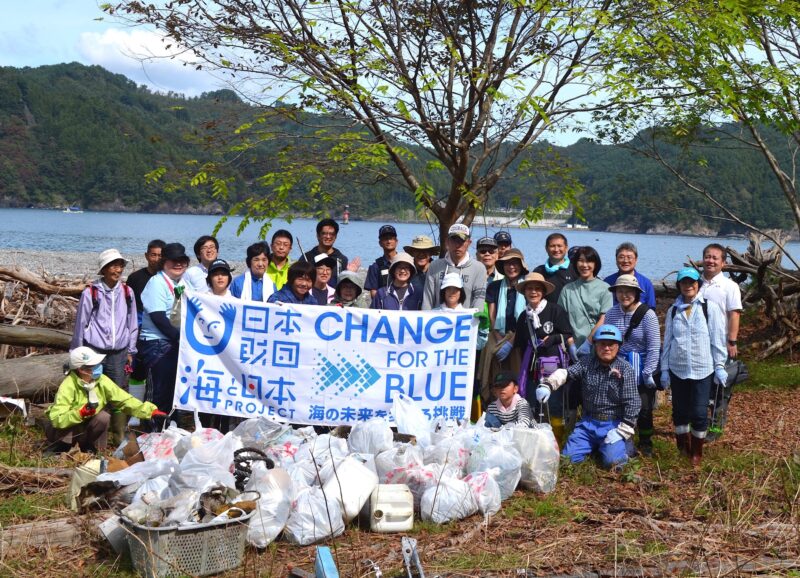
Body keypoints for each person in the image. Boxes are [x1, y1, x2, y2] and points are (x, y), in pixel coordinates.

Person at [542, 325, 641, 470]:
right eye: (602, 344)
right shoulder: (586, 363)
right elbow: (567, 373)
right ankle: (596, 446)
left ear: (618, 346)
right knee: (567, 460)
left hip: (613, 424)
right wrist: (548, 385)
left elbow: (633, 402)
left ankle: (624, 445)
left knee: (613, 464)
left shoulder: (625, 368)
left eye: (611, 344)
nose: (606, 348)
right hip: (588, 424)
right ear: (595, 345)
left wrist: (623, 430)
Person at [661, 267, 727, 466]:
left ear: (698, 284)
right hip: (678, 369)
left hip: (702, 369)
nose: (688, 286)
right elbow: (667, 341)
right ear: (679, 286)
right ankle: (682, 447)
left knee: (699, 413)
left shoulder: (709, 308)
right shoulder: (673, 311)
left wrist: (720, 365)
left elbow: (717, 339)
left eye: (692, 282)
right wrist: (664, 370)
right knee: (679, 412)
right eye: (684, 283)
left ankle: (697, 452)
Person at [71, 248, 139, 443]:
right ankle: (91, 438)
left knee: (117, 392)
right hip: (95, 351)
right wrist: (77, 353)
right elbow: (81, 324)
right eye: (112, 265)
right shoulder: (91, 292)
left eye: (120, 265)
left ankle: (118, 437)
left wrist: (131, 350)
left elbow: (132, 323)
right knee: (91, 391)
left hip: (119, 352)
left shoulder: (127, 292)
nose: (117, 270)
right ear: (104, 269)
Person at [45, 347, 165, 453]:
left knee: (103, 417)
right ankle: (60, 447)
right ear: (82, 370)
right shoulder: (68, 385)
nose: (99, 367)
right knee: (67, 426)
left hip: (86, 425)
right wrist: (80, 413)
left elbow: (124, 400)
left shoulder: (101, 380)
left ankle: (89, 446)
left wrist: (150, 411)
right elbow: (57, 419)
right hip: (67, 429)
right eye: (94, 365)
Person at [604, 274, 661, 457]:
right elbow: (608, 340)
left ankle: (645, 441)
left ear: (636, 293)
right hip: (619, 363)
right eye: (620, 291)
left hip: (642, 364)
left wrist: (648, 372)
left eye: (629, 291)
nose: (624, 295)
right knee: (618, 404)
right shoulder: (612, 313)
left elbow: (653, 346)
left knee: (643, 407)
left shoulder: (647, 314)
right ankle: (622, 439)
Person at [513, 272, 572, 442]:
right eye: (529, 288)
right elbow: (520, 345)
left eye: (537, 289)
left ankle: (557, 442)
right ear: (524, 292)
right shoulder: (524, 316)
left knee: (554, 404)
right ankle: (534, 440)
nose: (533, 292)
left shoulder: (555, 310)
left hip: (552, 365)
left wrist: (553, 338)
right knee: (532, 403)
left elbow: (568, 335)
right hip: (531, 367)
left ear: (543, 291)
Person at [698, 243, 743, 441]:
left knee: (721, 388)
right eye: (707, 256)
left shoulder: (729, 286)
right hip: (698, 345)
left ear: (723, 263)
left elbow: (734, 314)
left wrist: (731, 341)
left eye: (715, 258)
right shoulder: (695, 283)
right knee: (701, 385)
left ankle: (716, 429)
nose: (710, 261)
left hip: (721, 344)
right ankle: (700, 422)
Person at [139, 242, 190, 414]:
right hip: (157, 344)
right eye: (173, 260)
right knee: (158, 394)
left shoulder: (181, 283)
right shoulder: (157, 282)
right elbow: (158, 318)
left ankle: (171, 430)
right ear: (164, 262)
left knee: (173, 392)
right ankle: (152, 434)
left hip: (175, 343)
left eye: (182, 260)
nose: (178, 264)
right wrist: (180, 338)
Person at [480, 248, 528, 392]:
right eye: (508, 263)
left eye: (515, 263)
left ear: (521, 266)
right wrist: (499, 337)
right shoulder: (494, 286)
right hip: (498, 334)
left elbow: (527, 317)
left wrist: (511, 341)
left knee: (516, 372)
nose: (511, 267)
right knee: (493, 363)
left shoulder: (526, 287)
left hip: (519, 337)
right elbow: (492, 314)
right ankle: (491, 396)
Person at [557, 245, 611, 351]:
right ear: (575, 263)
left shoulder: (605, 288)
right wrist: (570, 343)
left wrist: (589, 342)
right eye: (581, 261)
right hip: (572, 346)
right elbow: (561, 320)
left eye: (589, 261)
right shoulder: (567, 290)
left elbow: (604, 318)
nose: (585, 265)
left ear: (595, 264)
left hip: (598, 346)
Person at [422, 224, 486, 311]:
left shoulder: (479, 268)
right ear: (447, 241)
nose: (457, 245)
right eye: (454, 240)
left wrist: (476, 320)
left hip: (465, 322)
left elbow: (478, 300)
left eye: (462, 241)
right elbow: (427, 300)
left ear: (469, 243)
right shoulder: (434, 266)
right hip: (437, 321)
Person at [603, 242, 656, 308]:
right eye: (621, 257)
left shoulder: (646, 283)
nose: (625, 261)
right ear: (616, 260)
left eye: (629, 257)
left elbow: (651, 308)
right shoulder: (607, 282)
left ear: (636, 260)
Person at [126, 239, 165, 324]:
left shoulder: (169, 278)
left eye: (160, 256)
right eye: (153, 255)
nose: (157, 259)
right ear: (146, 256)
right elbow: (128, 304)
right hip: (140, 321)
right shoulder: (134, 278)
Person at [302, 218, 349, 285]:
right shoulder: (306, 257)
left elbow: (344, 285)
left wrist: (351, 273)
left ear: (335, 236)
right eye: (324, 233)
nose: (328, 237)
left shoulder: (342, 259)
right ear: (318, 235)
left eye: (331, 234)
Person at [532, 233, 576, 303]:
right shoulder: (539, 271)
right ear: (546, 248)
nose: (556, 249)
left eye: (559, 246)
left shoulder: (575, 269)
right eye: (552, 246)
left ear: (566, 248)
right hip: (546, 313)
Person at [365, 225, 399, 298]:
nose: (389, 241)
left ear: (396, 242)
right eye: (385, 239)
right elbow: (373, 293)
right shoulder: (375, 266)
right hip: (383, 305)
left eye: (391, 238)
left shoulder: (404, 262)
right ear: (380, 243)